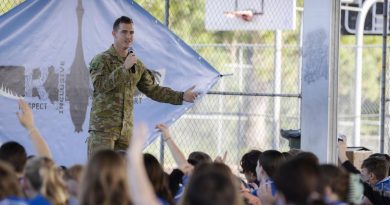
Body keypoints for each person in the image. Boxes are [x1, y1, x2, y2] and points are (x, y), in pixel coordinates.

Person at [88, 16, 198, 157]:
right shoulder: (101, 60)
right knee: (100, 174)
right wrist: (124, 68)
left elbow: (153, 90)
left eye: (131, 32)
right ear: (114, 34)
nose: (128, 36)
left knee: (125, 176)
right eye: (124, 32)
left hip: (125, 133)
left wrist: (181, 96)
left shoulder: (137, 64)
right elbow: (100, 86)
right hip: (103, 131)